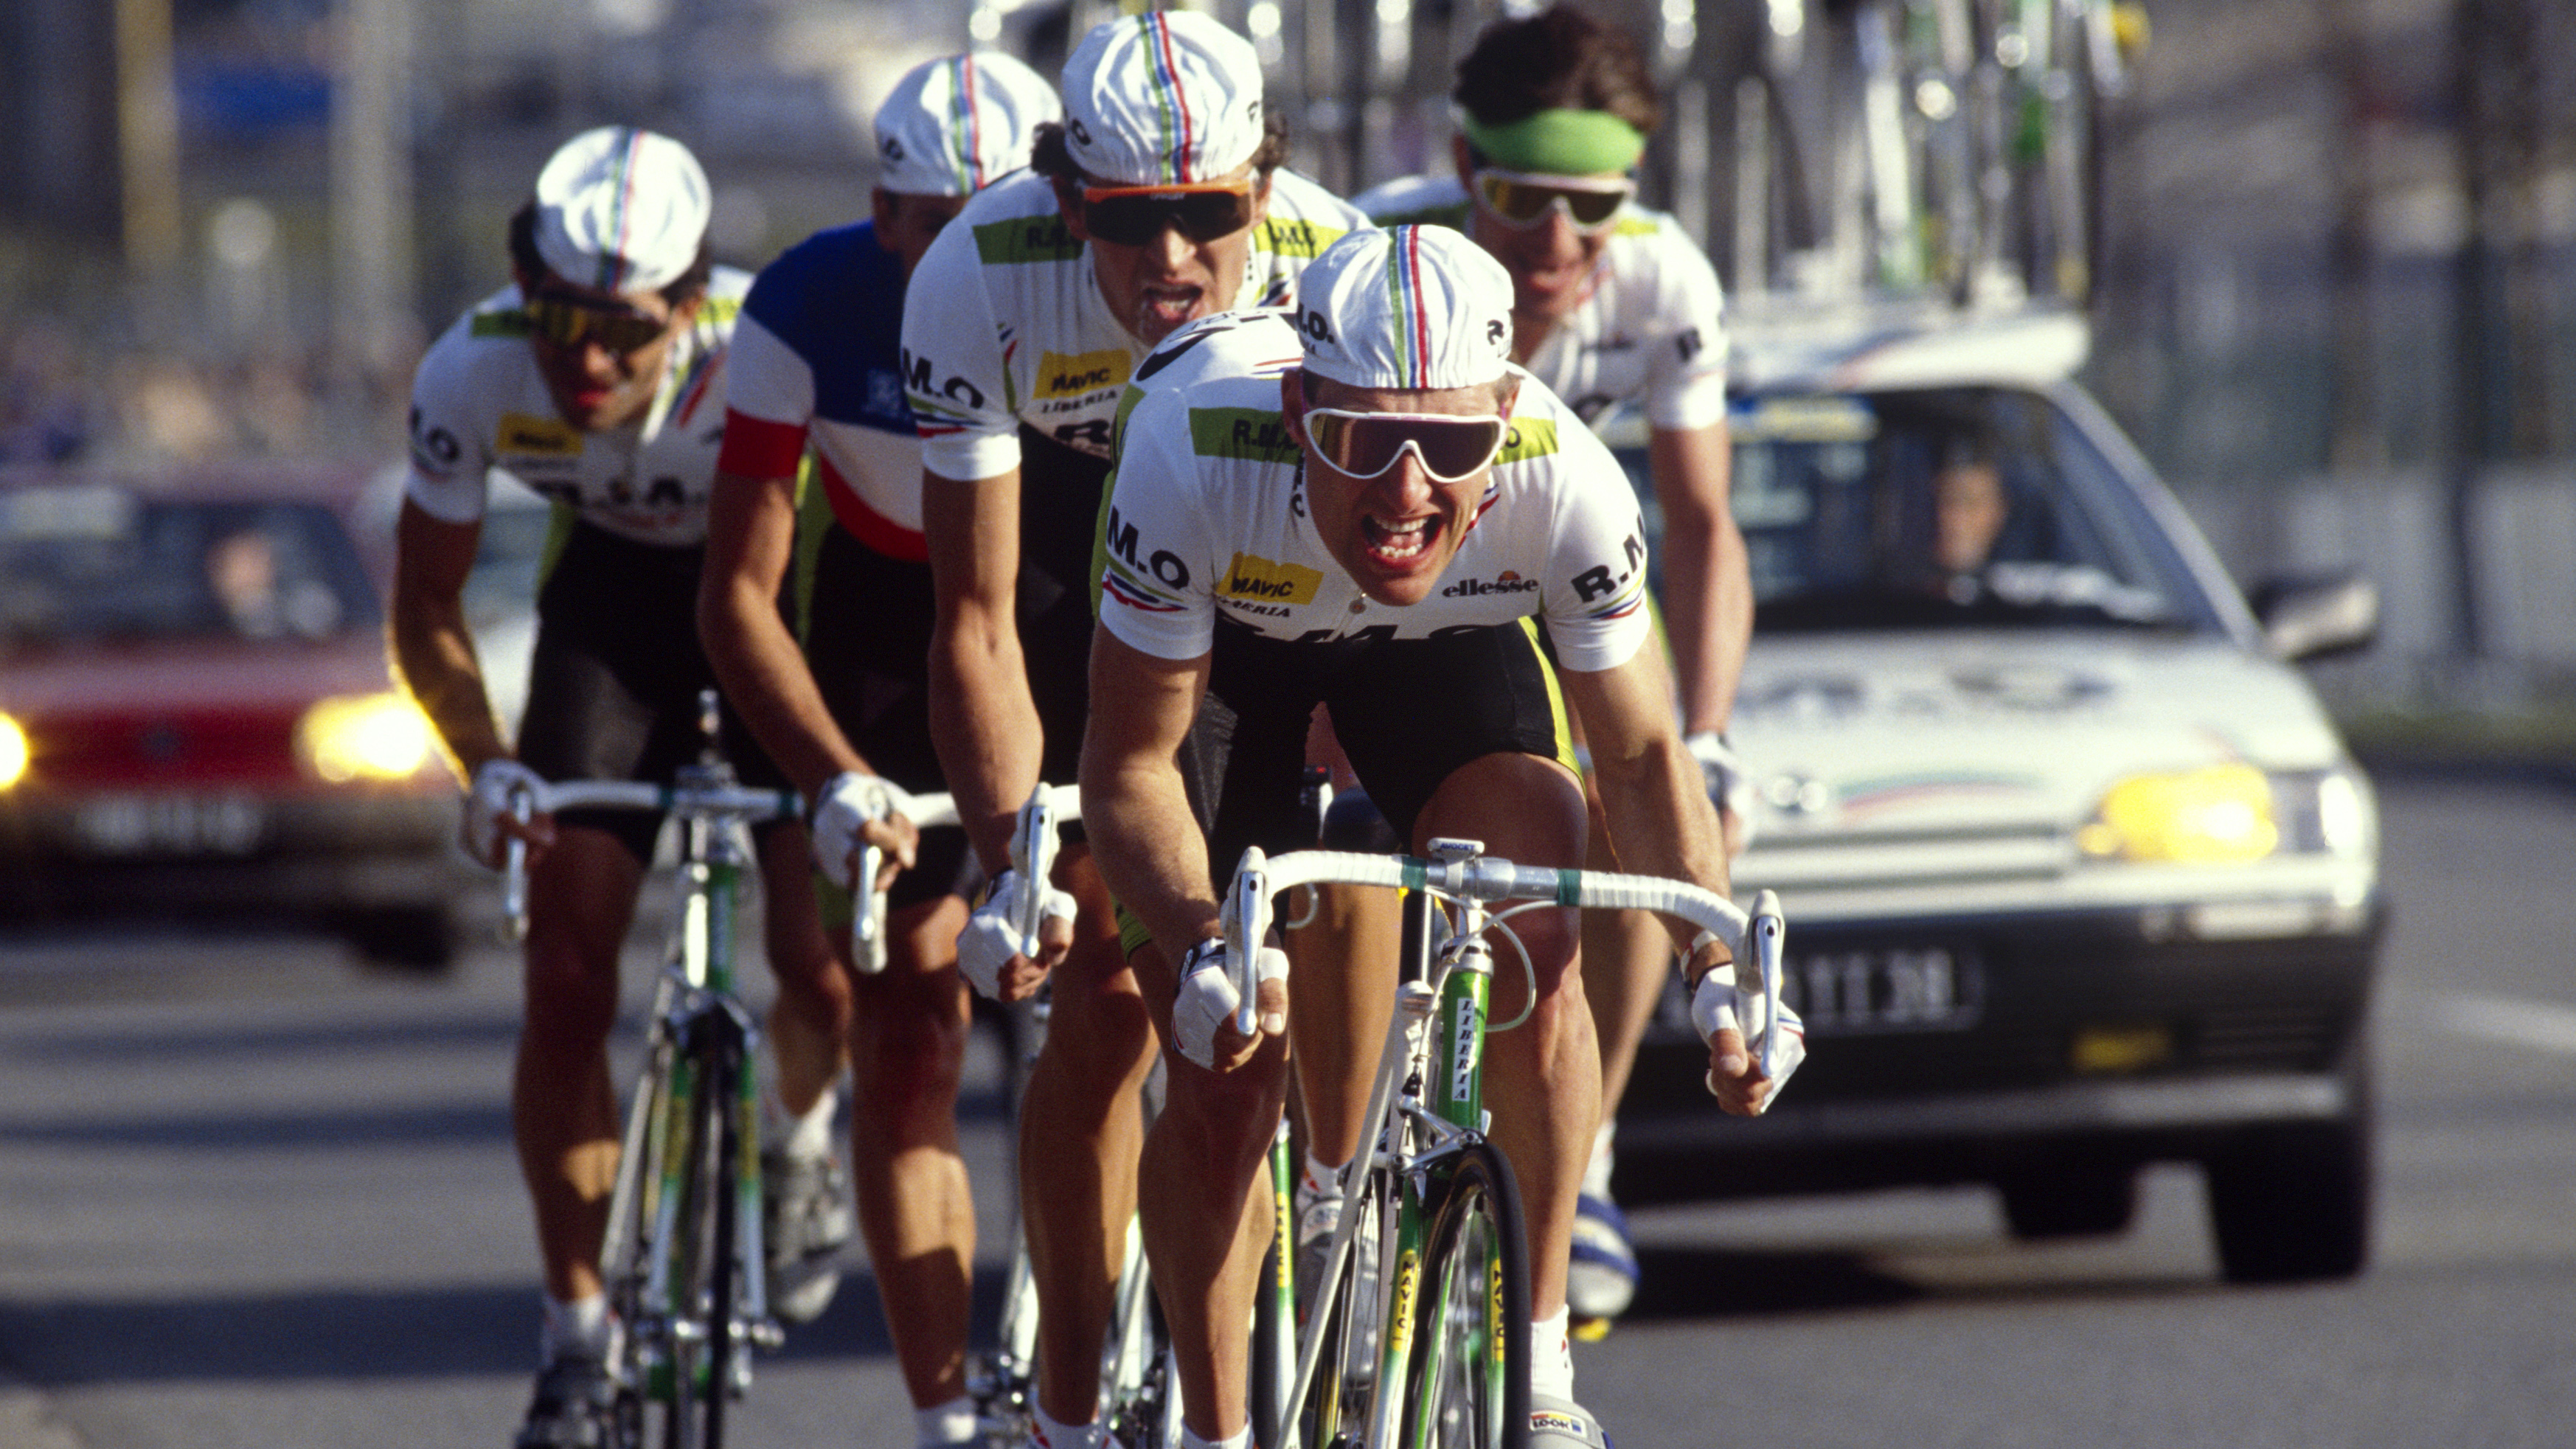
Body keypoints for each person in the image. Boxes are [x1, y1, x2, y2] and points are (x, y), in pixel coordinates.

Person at [1082, 224, 1795, 1449]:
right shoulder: (1189, 445)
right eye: (1362, 441)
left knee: (1537, 926)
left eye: (1452, 445)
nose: (1408, 488)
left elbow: (1639, 758)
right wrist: (1200, 939)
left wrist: (1716, 963)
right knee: (1228, 1066)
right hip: (1229, 654)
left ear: (1505, 416)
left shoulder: (1563, 478)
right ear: (1300, 409)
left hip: (1437, 647)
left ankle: (1538, 1353)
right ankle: (1214, 1427)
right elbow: (1132, 763)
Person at [897, 14, 1367, 1448]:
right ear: (1065, 202)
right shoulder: (972, 274)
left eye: (1207, 214)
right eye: (1125, 218)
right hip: (1059, 559)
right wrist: (1008, 863)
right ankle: (1064, 1398)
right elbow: (976, 620)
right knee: (1097, 999)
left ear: (1262, 194)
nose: (1169, 255)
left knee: (1227, 1050)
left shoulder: (1334, 270)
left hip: (1249, 568)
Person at [388, 127, 850, 1449]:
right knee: (564, 970)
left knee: (821, 965)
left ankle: (799, 1135)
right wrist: (486, 765)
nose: (585, 363)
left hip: (779, 607)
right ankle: (575, 1335)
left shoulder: (768, 341)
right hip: (611, 623)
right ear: (521, 289)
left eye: (624, 334)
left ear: (690, 305)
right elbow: (426, 607)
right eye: (559, 323)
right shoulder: (472, 365)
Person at [1353, 1, 1754, 1326]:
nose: (1559, 243)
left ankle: (1588, 1155)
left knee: (1645, 809)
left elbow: (1702, 525)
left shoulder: (1662, 278)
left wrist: (1706, 733)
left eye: (1596, 205)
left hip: (1549, 557)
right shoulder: (1382, 258)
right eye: (1523, 200)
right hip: (1396, 561)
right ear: (1466, 167)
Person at [695, 52, 1059, 1449]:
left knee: (1120, 990)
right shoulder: (805, 300)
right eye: (930, 229)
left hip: (1057, 610)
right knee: (904, 1023)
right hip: (879, 629)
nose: (961, 262)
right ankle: (947, 1412)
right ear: (880, 214)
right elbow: (737, 595)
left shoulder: (1087, 284)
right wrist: (833, 776)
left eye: (994, 229)